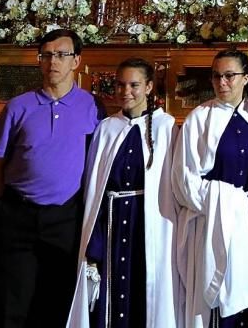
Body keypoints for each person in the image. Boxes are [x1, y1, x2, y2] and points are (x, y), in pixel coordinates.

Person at [0, 28, 101, 328]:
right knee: (13, 298)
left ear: (76, 61)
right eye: (47, 55)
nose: (53, 62)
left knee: (57, 299)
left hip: (66, 217)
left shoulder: (92, 107)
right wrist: (15, 202)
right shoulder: (18, 106)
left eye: (61, 55)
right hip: (18, 216)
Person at [68, 57, 181, 328]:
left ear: (149, 87)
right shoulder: (107, 128)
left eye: (134, 85)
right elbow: (95, 185)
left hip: (147, 222)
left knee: (142, 281)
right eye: (120, 85)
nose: (126, 92)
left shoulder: (166, 127)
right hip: (111, 220)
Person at [173, 49, 248, 328]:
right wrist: (224, 204)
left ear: (246, 78)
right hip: (215, 222)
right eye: (217, 76)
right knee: (218, 293)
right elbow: (184, 179)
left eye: (229, 76)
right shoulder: (199, 119)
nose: (222, 83)